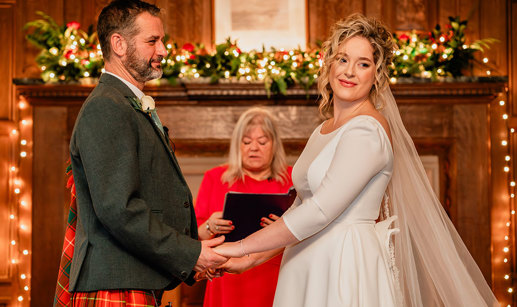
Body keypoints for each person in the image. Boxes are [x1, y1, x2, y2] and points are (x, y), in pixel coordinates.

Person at [214, 14, 499, 306]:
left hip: (343, 264)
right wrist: (252, 259)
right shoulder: (322, 129)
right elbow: (301, 207)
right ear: (328, 63)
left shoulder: (367, 131)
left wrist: (240, 247)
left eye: (363, 63)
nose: (349, 71)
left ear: (376, 74)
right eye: (343, 59)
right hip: (306, 263)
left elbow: (321, 211)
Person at [67, 0, 227, 305]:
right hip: (117, 285)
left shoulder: (124, 102)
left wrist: (193, 239)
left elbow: (149, 196)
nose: (164, 49)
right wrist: (190, 254)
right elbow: (120, 209)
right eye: (152, 40)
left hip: (134, 280)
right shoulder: (105, 107)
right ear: (119, 44)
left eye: (162, 40)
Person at [195, 107, 293, 307]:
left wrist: (284, 228)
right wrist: (209, 226)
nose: (254, 148)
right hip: (227, 276)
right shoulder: (214, 178)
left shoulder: (293, 179)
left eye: (262, 142)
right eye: (246, 142)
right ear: (237, 145)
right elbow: (192, 237)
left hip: (277, 275)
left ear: (275, 145)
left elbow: (308, 230)